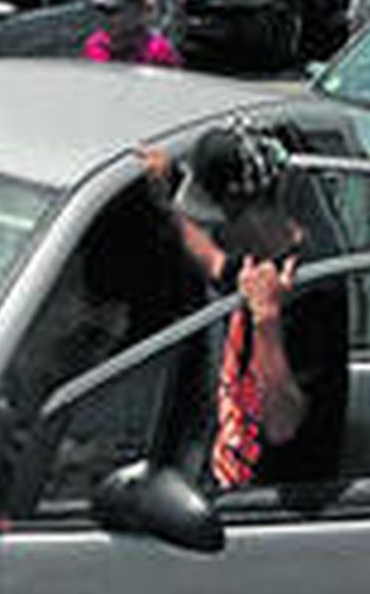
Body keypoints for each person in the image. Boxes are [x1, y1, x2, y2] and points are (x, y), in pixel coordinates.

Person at [149, 123, 347, 489]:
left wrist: (267, 321)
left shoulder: (312, 286)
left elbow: (283, 424)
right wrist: (167, 198)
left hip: (268, 508)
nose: (213, 231)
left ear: (247, 211)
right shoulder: (254, 258)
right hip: (223, 480)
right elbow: (214, 262)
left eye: (215, 220)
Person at [83, 0, 182, 66]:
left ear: (138, 13)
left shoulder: (157, 50)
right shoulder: (96, 45)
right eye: (103, 11)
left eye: (114, 11)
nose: (107, 18)